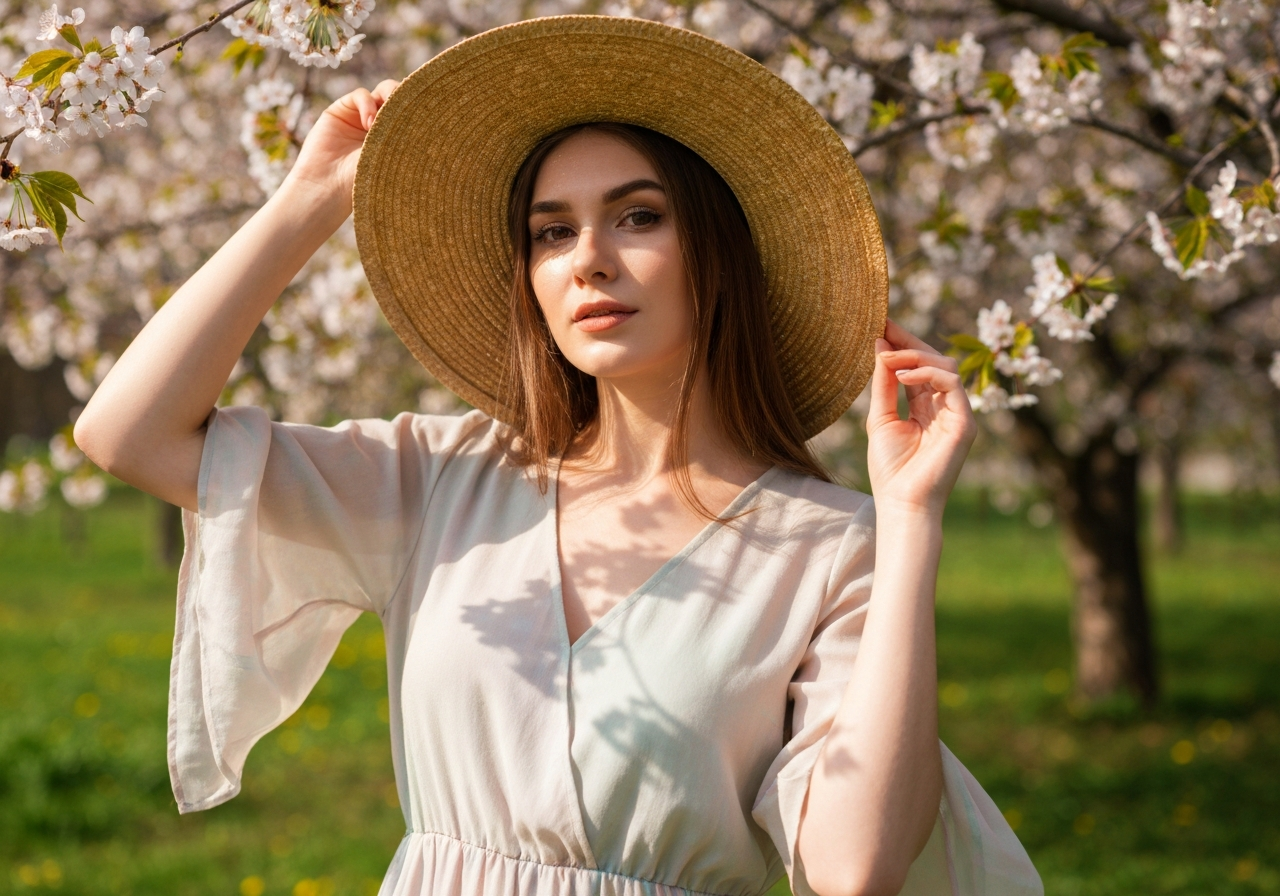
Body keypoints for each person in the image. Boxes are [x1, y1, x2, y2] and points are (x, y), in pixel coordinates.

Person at [75, 15, 1042, 896]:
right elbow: (129, 435)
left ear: (719, 251)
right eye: (551, 232)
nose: (588, 258)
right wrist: (312, 200)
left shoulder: (827, 545)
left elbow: (853, 867)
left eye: (639, 216)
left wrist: (911, 521)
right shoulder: (445, 478)